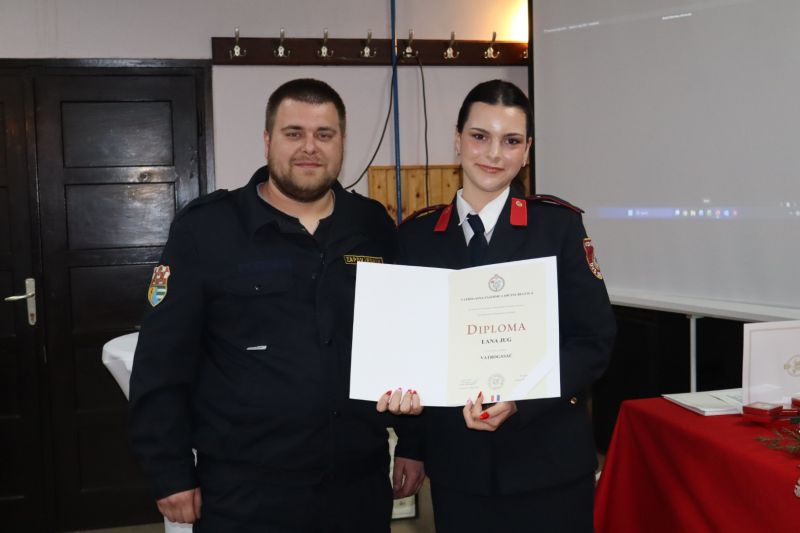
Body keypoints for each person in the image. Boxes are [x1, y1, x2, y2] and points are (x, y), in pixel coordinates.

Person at [129, 78, 397, 532]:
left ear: (342, 143)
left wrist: (414, 444)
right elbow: (161, 361)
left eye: (324, 134)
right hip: (246, 492)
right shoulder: (206, 231)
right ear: (268, 139)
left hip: (357, 484)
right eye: (294, 133)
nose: (310, 147)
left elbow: (400, 339)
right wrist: (168, 470)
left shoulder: (372, 225)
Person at [382, 79, 617, 532]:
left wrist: (520, 400)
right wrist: (410, 445)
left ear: (526, 151)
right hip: (458, 470)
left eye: (510, 141)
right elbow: (411, 350)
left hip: (548, 466)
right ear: (457, 140)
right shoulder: (416, 238)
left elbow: (594, 340)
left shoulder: (558, 228)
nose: (493, 153)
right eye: (479, 136)